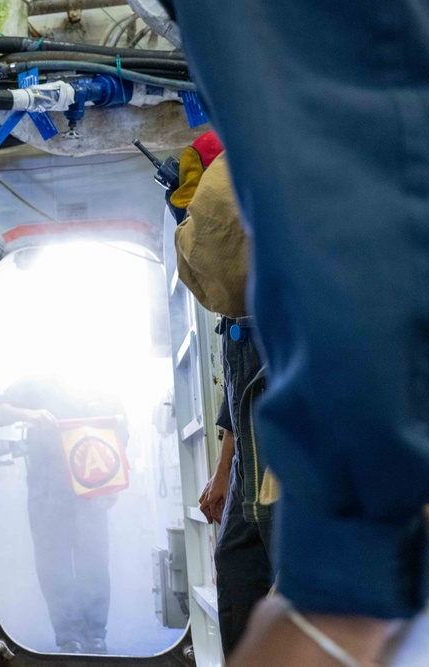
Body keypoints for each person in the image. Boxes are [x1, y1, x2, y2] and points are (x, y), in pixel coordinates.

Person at [164, 2, 429, 664]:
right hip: (285, 468)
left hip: (350, 483)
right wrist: (225, 469)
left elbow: (361, 234)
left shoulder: (279, 61)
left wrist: (345, 589)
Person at [170, 131, 277, 656]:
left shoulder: (284, 295)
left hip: (287, 468)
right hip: (249, 471)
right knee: (237, 565)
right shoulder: (237, 314)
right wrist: (222, 470)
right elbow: (239, 401)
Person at [0, 376, 128, 655]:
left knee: (95, 562)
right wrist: (29, 414)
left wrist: (113, 485)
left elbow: (118, 435)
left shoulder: (100, 387)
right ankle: (69, 637)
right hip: (46, 491)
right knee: (54, 567)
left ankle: (95, 635)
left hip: (91, 490)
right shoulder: (37, 385)